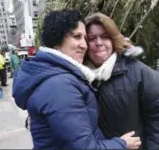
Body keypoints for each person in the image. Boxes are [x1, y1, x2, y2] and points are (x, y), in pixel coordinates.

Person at [12, 9, 141, 149]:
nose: (84, 45)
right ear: (56, 39)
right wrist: (122, 144)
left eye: (85, 38)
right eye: (76, 36)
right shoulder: (59, 85)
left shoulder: (60, 73)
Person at [84, 12, 159, 150]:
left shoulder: (142, 75)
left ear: (113, 39)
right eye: (91, 38)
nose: (99, 43)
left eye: (105, 36)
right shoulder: (80, 77)